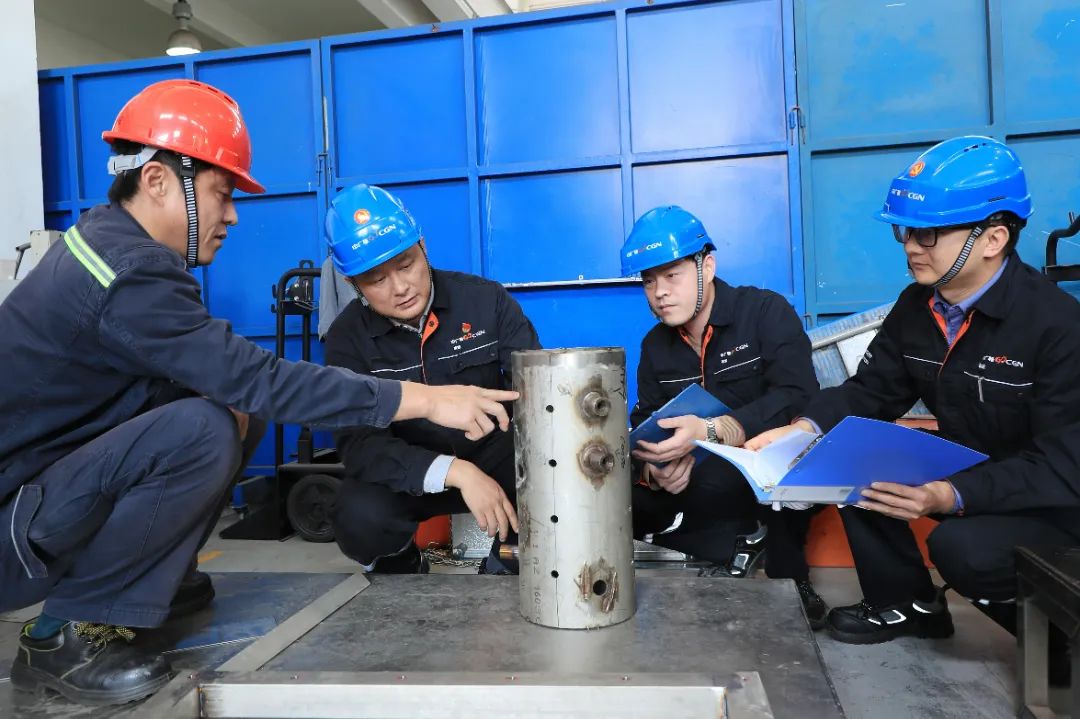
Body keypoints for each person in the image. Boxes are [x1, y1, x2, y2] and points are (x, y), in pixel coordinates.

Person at [0, 80, 516, 706]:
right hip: (13, 525)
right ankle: (64, 635)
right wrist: (428, 399)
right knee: (205, 426)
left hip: (33, 495)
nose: (233, 215)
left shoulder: (109, 244)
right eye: (222, 193)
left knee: (227, 409)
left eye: (405, 264)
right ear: (158, 180)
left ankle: (152, 580)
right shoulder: (130, 272)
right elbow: (257, 378)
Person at [747, 136, 1080, 646]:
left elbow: (1061, 465)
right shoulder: (917, 307)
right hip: (973, 464)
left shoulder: (1056, 326)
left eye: (928, 234)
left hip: (1048, 499)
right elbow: (869, 392)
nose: (910, 247)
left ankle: (1060, 648)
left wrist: (945, 494)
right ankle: (905, 604)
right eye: (905, 231)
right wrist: (801, 430)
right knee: (851, 454)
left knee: (964, 550)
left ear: (993, 239)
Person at [621, 205, 827, 626]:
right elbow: (644, 423)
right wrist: (653, 471)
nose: (659, 292)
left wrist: (715, 429)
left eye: (672, 275)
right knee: (616, 487)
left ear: (707, 267)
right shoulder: (655, 346)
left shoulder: (765, 312)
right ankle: (724, 548)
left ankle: (790, 578)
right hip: (698, 478)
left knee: (787, 464)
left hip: (767, 469)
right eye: (649, 281)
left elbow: (798, 395)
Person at [323, 184, 540, 575]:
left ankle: (506, 562)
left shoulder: (486, 301)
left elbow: (537, 396)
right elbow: (359, 444)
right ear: (353, 284)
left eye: (406, 265)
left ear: (422, 246)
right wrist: (457, 472)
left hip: (494, 454)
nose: (400, 288)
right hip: (409, 470)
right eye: (376, 280)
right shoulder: (346, 339)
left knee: (551, 470)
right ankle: (401, 565)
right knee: (357, 515)